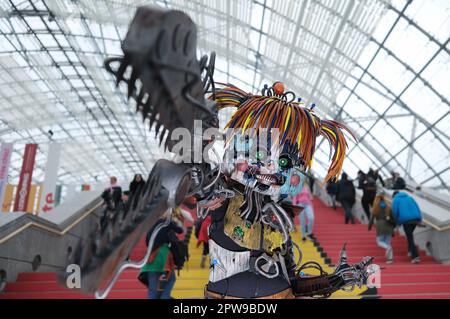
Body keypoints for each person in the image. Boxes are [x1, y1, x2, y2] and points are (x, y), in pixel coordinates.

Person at [140, 212, 184, 299]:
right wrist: (173, 222)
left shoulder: (152, 225)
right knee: (171, 279)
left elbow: (147, 241)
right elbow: (180, 230)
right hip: (163, 256)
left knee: (152, 289)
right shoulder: (167, 223)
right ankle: (165, 297)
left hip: (151, 257)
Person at [392, 191, 422, 263]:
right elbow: (418, 208)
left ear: (394, 195)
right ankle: (410, 251)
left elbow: (395, 212)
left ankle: (415, 256)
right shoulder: (410, 198)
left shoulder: (396, 200)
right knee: (410, 235)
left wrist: (396, 222)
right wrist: (420, 220)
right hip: (415, 219)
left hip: (406, 221)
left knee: (410, 237)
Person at [368, 192, 395, 263]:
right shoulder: (388, 207)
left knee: (379, 242)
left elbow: (372, 218)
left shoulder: (376, 207)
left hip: (380, 226)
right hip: (389, 226)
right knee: (388, 243)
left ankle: (387, 248)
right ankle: (390, 259)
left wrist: (369, 227)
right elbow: (393, 218)